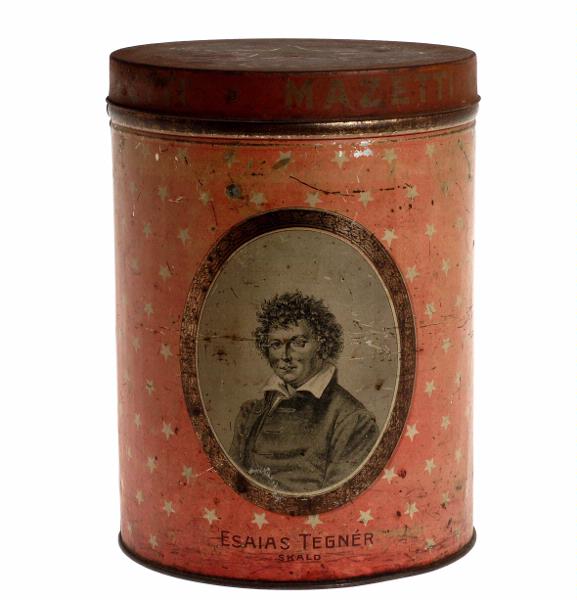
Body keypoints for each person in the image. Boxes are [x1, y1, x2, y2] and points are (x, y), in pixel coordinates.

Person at [229, 291, 379, 493]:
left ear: (322, 346)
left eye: (298, 343)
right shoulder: (250, 414)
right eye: (276, 344)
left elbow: (338, 497)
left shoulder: (352, 420)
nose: (285, 356)